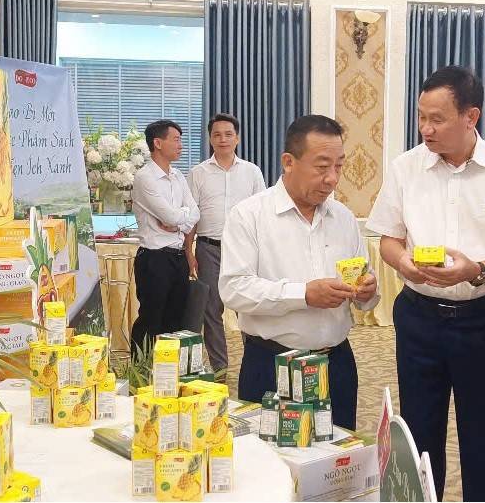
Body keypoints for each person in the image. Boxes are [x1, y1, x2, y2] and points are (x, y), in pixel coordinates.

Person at [366, 66, 485, 501]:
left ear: (471, 116)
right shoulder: (406, 168)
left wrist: (475, 271)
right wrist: (403, 263)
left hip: (483, 320)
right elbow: (389, 239)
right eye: (421, 117)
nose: (426, 128)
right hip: (419, 318)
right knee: (419, 437)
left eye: (437, 119)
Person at [218, 114, 378, 430]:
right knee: (272, 466)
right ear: (288, 162)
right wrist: (304, 294)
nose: (332, 178)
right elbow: (235, 289)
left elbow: (364, 288)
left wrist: (367, 292)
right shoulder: (249, 216)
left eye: (339, 166)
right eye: (321, 167)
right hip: (272, 363)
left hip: (337, 364)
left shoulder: (343, 218)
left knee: (335, 463)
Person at [186, 113, 266, 374]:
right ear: (210, 138)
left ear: (237, 138)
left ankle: (254, 364)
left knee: (249, 307)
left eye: (228, 134)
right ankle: (220, 367)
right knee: (211, 310)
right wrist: (189, 251)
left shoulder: (252, 172)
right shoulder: (198, 173)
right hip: (209, 248)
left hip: (245, 250)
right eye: (217, 134)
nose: (222, 139)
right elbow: (191, 214)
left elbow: (262, 214)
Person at [130, 120, 200, 352]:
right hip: (154, 258)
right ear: (157, 143)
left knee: (176, 321)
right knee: (151, 319)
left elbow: (195, 212)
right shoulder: (145, 177)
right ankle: (141, 373)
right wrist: (181, 219)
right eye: (176, 139)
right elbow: (170, 216)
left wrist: (178, 223)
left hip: (178, 257)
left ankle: (168, 376)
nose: (181, 145)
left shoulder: (179, 176)